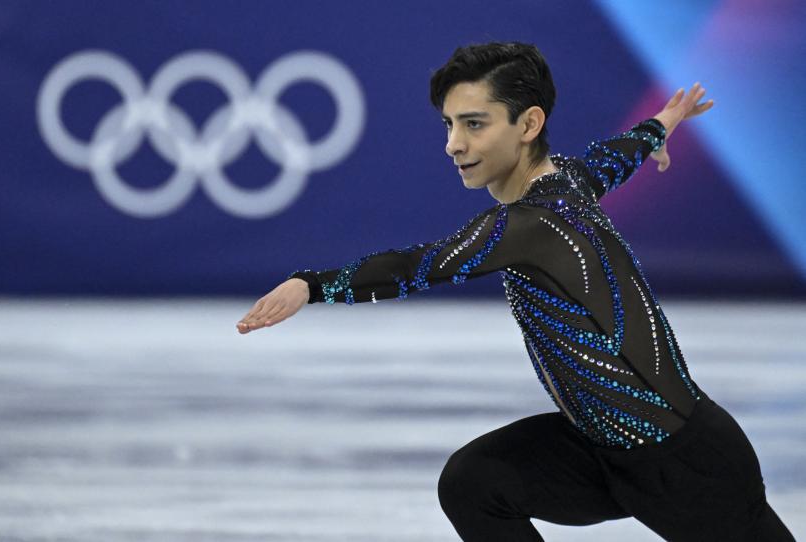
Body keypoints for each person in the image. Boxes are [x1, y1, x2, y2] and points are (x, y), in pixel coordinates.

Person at [236, 42, 794, 541]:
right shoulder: (569, 181)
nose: (454, 144)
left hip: (684, 465)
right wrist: (661, 125)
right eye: (449, 124)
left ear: (528, 124)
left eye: (474, 124)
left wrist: (311, 285)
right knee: (475, 482)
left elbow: (416, 266)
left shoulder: (531, 224)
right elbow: (613, 158)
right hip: (597, 453)